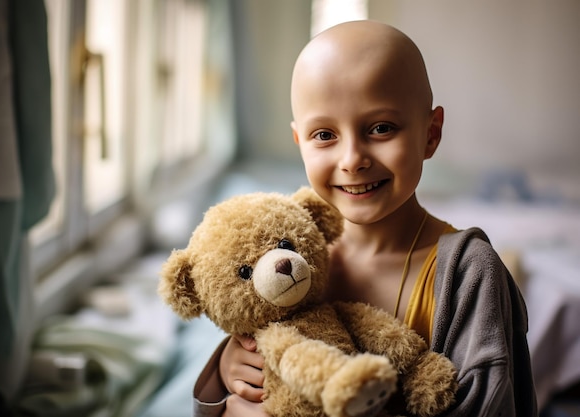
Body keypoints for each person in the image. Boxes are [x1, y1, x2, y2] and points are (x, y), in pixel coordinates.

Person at [192, 20, 537, 417]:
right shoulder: (283, 250)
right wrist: (228, 367)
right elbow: (243, 382)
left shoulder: (469, 273)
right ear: (299, 143)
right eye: (324, 135)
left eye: (380, 128)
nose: (353, 159)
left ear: (431, 133)